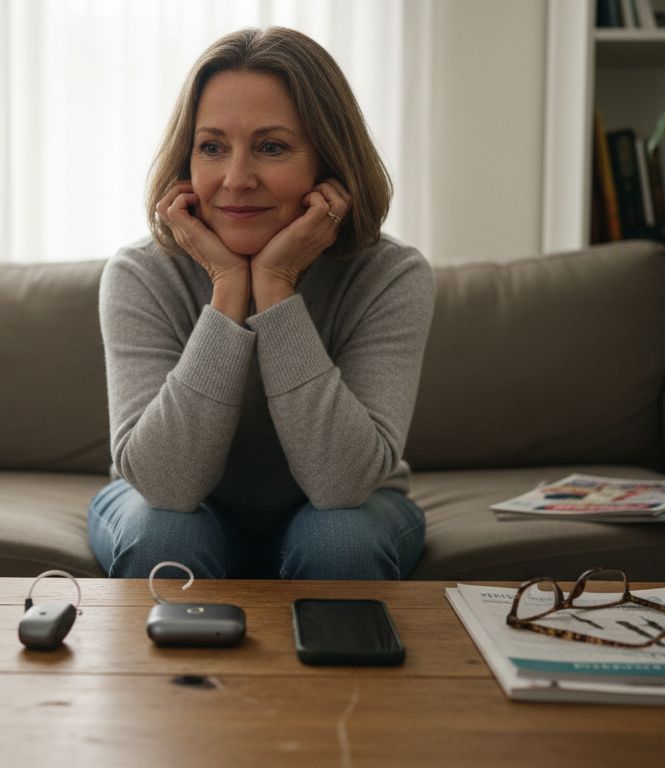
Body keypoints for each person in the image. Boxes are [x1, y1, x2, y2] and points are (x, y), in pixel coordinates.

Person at [88, 26, 436, 581]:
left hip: (345, 508)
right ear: (187, 161)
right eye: (212, 147)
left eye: (272, 147)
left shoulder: (391, 276)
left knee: (339, 543)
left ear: (329, 162)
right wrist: (228, 287)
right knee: (165, 537)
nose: (236, 179)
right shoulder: (139, 274)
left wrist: (276, 284)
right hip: (174, 506)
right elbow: (166, 486)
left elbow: (342, 486)